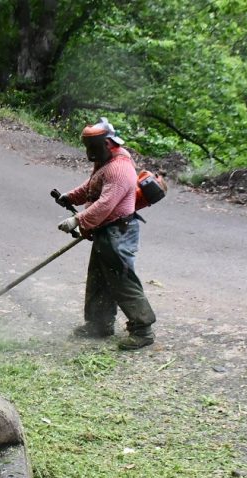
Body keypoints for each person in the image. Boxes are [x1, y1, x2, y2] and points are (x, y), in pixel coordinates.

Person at [56, 118, 157, 350]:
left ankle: (142, 330)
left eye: (93, 147)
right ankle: (99, 325)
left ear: (108, 143)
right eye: (87, 146)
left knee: (122, 280)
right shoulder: (105, 161)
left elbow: (106, 204)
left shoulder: (120, 168)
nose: (89, 152)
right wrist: (70, 197)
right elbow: (93, 185)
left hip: (119, 232)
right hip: (106, 230)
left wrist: (77, 219)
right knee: (99, 278)